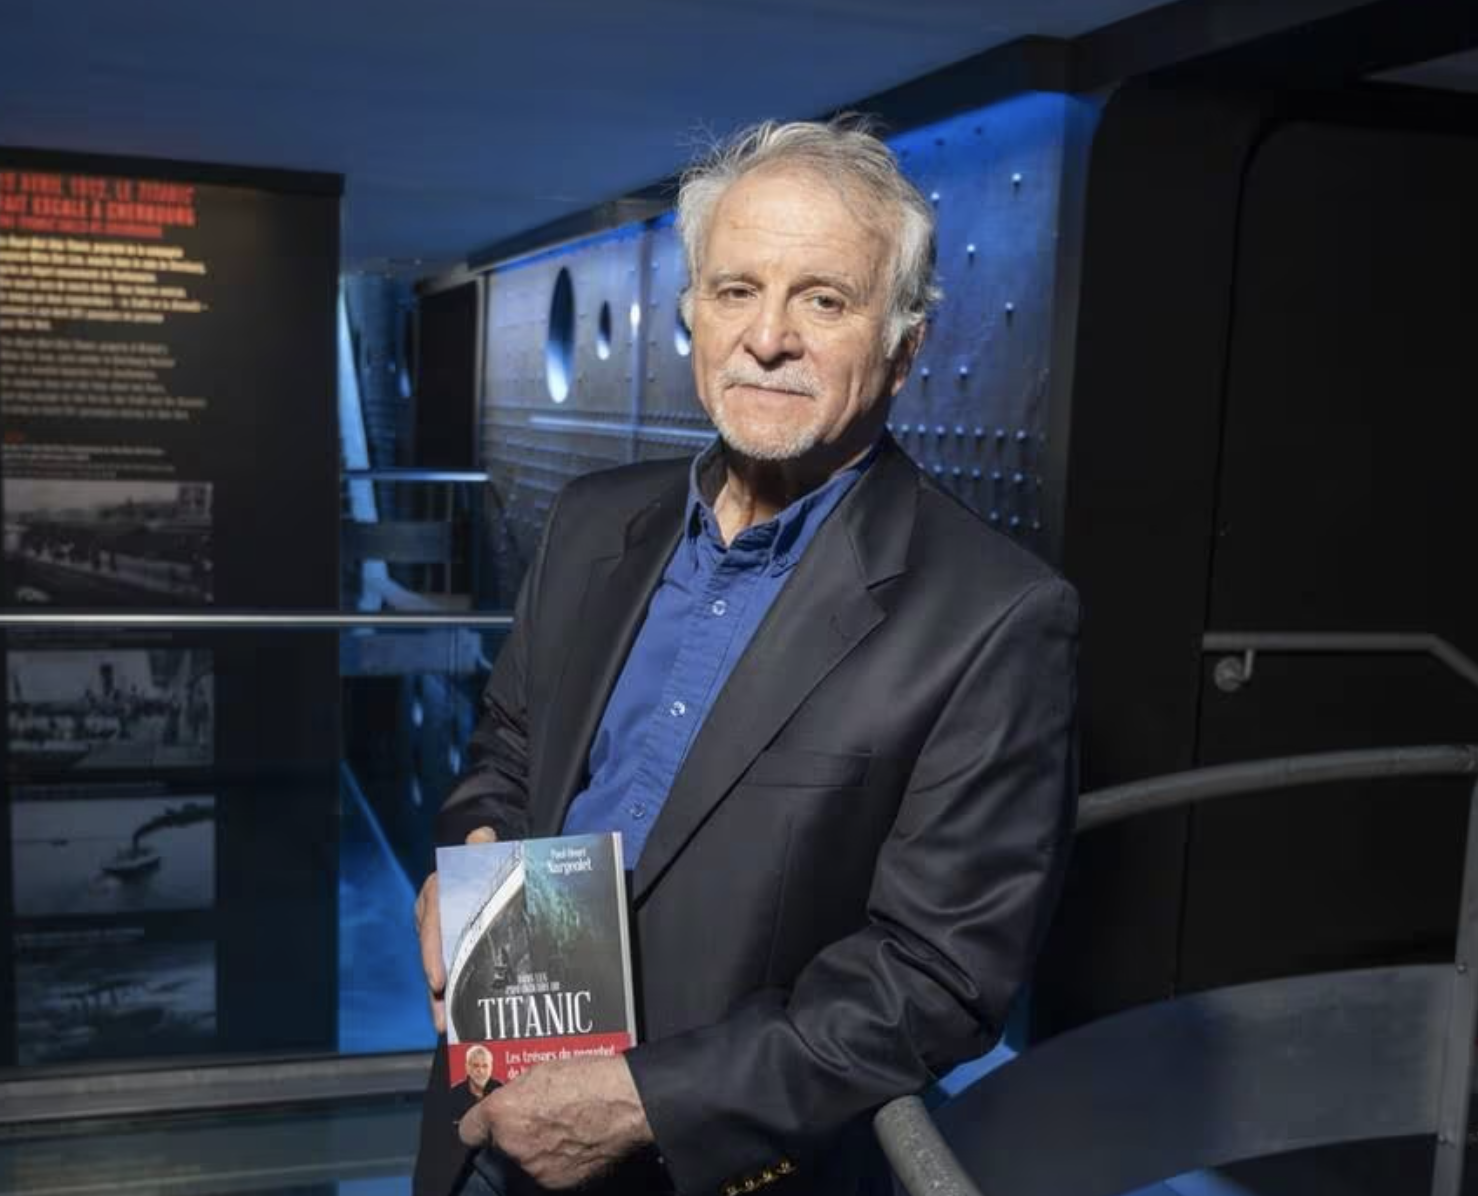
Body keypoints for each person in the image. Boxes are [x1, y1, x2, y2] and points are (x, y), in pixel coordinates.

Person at [410, 114, 1080, 1196]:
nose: (768, 338)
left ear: (905, 347)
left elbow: (937, 977)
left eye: (825, 300)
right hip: (489, 1117)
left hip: (715, 1166)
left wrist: (643, 1103)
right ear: (694, 312)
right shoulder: (591, 522)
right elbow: (510, 748)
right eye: (736, 290)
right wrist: (471, 849)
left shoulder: (996, 617)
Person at [445, 1044, 506, 1127]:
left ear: (491, 1068)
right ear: (467, 1067)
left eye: (485, 1066)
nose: (481, 1071)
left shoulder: (500, 1090)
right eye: (476, 1066)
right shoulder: (454, 1095)